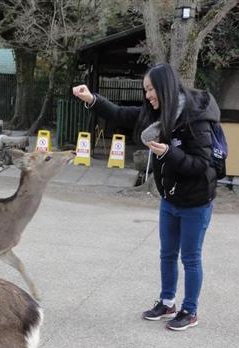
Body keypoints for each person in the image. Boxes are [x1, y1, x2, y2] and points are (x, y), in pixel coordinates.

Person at [72, 63, 220, 331]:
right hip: (170, 199)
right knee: (167, 254)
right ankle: (167, 302)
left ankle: (190, 310)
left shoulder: (194, 118)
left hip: (196, 202)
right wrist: (91, 99)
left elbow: (201, 164)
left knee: (190, 258)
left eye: (151, 89)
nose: (148, 95)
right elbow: (119, 114)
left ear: (165, 87)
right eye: (146, 90)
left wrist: (167, 153)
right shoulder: (157, 114)